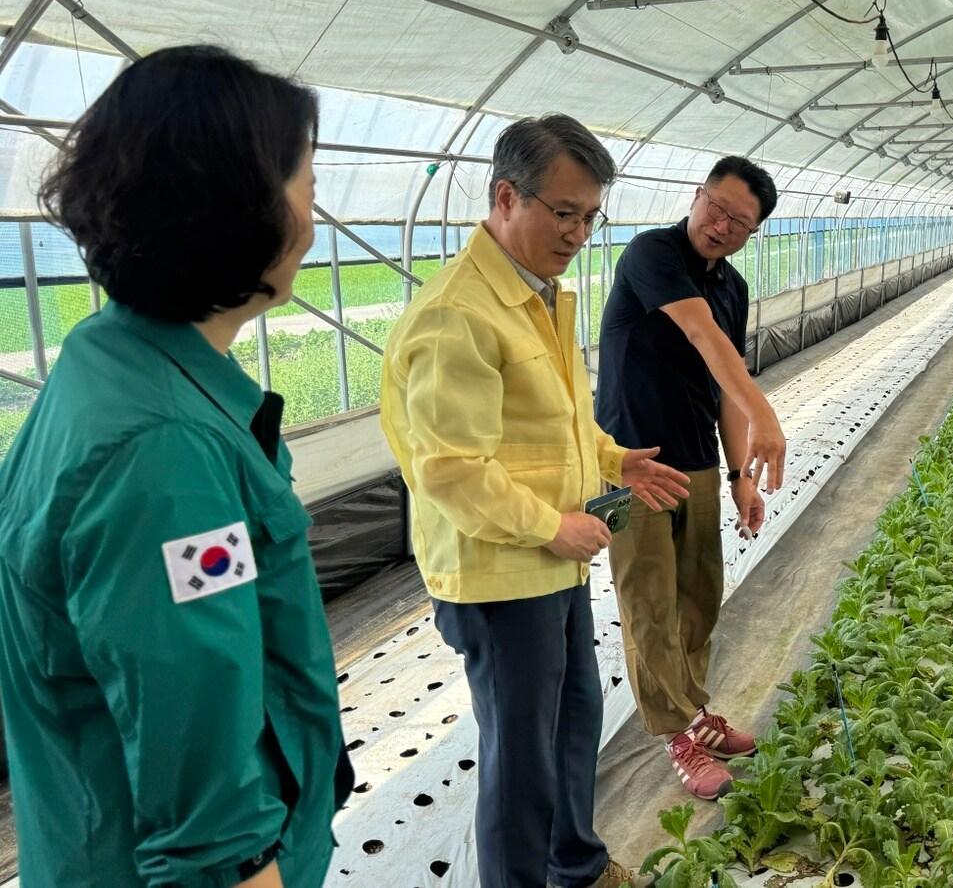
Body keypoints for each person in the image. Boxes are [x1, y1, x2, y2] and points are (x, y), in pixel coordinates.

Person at [0, 46, 352, 888]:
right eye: (303, 179)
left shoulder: (108, 358)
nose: (314, 209)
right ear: (238, 209)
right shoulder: (164, 460)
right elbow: (211, 829)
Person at [379, 114, 688, 888]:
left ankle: (576, 866)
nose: (579, 231)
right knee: (521, 760)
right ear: (507, 196)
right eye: (564, 212)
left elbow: (549, 418)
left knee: (573, 725)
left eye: (590, 216)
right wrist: (554, 524)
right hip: (500, 572)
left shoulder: (538, 293)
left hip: (552, 561)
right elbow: (451, 469)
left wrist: (613, 457)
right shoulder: (460, 315)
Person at [595, 155, 786, 801]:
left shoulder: (732, 286)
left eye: (740, 222)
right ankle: (678, 735)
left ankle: (695, 713)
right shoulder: (652, 252)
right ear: (696, 195)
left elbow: (723, 385)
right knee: (648, 602)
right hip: (626, 465)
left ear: (753, 232)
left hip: (697, 460)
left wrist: (742, 476)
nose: (723, 225)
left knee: (699, 596)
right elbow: (700, 334)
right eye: (717, 208)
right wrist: (767, 413)